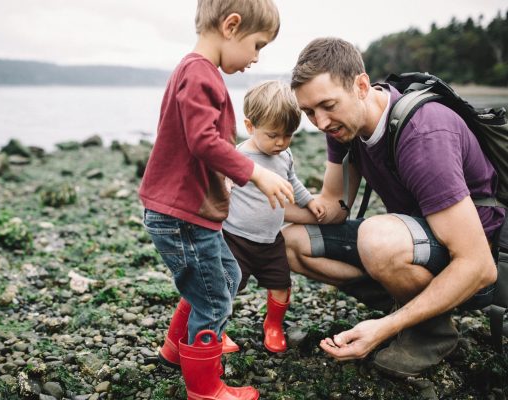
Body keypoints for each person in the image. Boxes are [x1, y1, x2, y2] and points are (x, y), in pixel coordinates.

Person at [282, 37, 505, 377]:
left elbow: (479, 266)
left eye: (328, 105)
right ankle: (412, 306)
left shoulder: (424, 134)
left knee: (377, 238)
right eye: (309, 112)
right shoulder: (342, 127)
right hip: (418, 238)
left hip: (475, 257)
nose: (321, 122)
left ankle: (430, 332)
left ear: (361, 85)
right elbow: (332, 207)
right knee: (291, 244)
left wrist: (383, 328)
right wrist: (254, 203)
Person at [138, 1, 293, 398]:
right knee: (214, 300)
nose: (256, 58)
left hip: (189, 212)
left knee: (227, 276)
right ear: (231, 26)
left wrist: (219, 182)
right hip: (182, 216)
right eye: (257, 45)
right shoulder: (200, 74)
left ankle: (177, 349)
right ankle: (205, 389)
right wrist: (253, 172)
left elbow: (197, 146)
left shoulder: (197, 73)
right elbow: (203, 140)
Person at [222, 80, 326, 353]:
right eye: (273, 135)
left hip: (270, 240)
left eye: (288, 135)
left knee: (281, 286)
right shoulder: (239, 157)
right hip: (236, 239)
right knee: (226, 287)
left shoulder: (284, 154)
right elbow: (221, 186)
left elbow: (292, 180)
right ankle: (216, 330)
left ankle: (273, 325)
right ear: (250, 126)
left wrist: (308, 201)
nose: (281, 142)